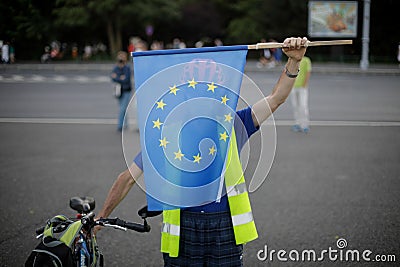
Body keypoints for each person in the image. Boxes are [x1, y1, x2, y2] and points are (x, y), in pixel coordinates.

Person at [96, 37, 308, 266]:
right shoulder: (167, 135)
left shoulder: (233, 124)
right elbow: (127, 179)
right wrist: (101, 218)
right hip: (183, 227)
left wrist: (294, 62)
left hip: (224, 225)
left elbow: (277, 98)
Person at [111, 51, 132, 132]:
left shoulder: (127, 68)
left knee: (122, 109)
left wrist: (117, 77)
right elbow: (112, 77)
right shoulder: (116, 67)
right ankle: (125, 124)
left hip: (126, 90)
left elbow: (126, 79)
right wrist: (120, 78)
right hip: (118, 91)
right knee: (122, 108)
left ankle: (120, 125)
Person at [290, 56, 312, 133]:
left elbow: (308, 72)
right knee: (295, 105)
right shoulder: (292, 59)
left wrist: (304, 84)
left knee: (303, 106)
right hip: (293, 87)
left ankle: (305, 125)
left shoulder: (306, 60)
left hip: (302, 88)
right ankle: (297, 123)